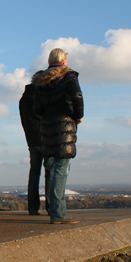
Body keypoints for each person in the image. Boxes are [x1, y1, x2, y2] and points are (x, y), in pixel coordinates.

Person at [32, 48, 84, 224]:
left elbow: (36, 108)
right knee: (61, 171)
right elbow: (77, 95)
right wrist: (78, 115)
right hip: (64, 128)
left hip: (47, 129)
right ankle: (58, 214)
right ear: (63, 61)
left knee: (52, 170)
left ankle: (55, 211)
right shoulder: (68, 76)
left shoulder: (41, 81)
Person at [19, 83, 53, 215]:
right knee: (50, 173)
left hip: (31, 140)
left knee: (34, 173)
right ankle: (51, 207)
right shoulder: (41, 96)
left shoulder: (23, 100)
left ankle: (33, 207)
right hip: (45, 139)